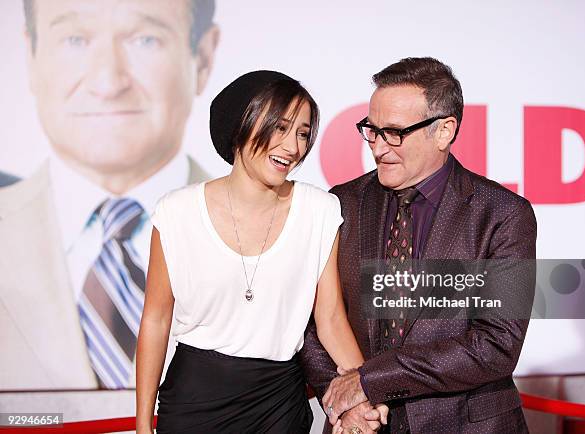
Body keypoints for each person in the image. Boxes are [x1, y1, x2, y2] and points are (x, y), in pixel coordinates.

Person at [136, 70, 389, 434]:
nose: (293, 147)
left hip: (278, 404)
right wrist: (143, 424)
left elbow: (330, 318)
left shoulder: (319, 210)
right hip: (194, 400)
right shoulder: (177, 213)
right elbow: (155, 320)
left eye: (303, 134)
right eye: (281, 128)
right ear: (244, 123)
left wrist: (363, 392)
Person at [299, 57, 537, 434]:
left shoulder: (504, 214)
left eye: (394, 132)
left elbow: (496, 345)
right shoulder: (342, 202)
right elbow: (313, 321)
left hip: (465, 425)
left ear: (444, 131)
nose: (378, 148)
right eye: (371, 130)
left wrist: (367, 382)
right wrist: (341, 397)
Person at [0, 0, 218, 390]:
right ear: (30, 56)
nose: (107, 81)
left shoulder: (273, 231)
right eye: (74, 39)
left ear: (202, 58)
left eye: (145, 39)